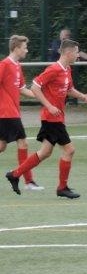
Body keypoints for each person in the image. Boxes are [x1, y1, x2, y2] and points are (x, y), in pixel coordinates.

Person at [4, 39, 87, 198]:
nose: (78, 55)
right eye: (76, 52)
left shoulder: (67, 69)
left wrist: (82, 96)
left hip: (56, 118)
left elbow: (69, 89)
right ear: (68, 52)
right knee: (69, 150)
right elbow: (35, 86)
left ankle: (15, 174)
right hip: (51, 119)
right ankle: (62, 188)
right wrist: (49, 106)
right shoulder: (54, 69)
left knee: (45, 152)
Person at [0, 35, 44, 191]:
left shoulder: (17, 66)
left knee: (2, 146)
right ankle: (28, 181)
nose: (27, 50)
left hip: (11, 113)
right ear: (16, 48)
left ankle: (27, 181)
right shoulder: (4, 65)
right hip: (7, 113)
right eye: (25, 48)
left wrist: (41, 96)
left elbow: (22, 89)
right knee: (23, 143)